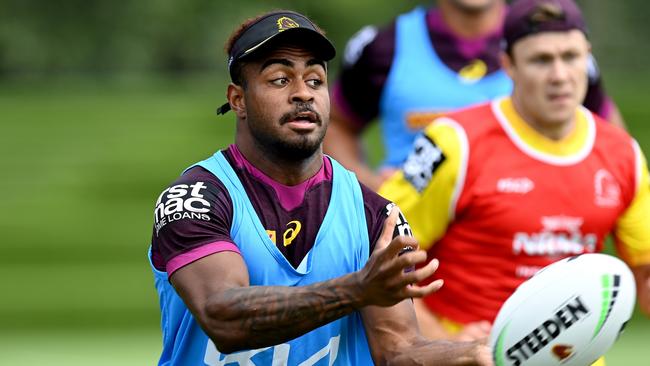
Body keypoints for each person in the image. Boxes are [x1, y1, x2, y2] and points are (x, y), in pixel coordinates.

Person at [148, 10, 495, 366]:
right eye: (280, 80)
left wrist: (477, 353)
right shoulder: (195, 199)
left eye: (315, 80)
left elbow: (398, 351)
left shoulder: (375, 214)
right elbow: (223, 317)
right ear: (238, 100)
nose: (303, 94)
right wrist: (357, 289)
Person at [378, 0, 650, 360]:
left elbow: (644, 271)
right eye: (541, 60)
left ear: (588, 58)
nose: (560, 75)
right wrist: (440, 340)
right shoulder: (454, 142)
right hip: (467, 357)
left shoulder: (622, 153)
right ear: (508, 66)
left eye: (571, 56)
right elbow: (380, 255)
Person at [323, 0, 625, 191]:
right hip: (415, 244)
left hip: (528, 244)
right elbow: (334, 124)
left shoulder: (552, 48)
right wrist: (364, 182)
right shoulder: (384, 47)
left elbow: (614, 144)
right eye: (541, 62)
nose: (557, 71)